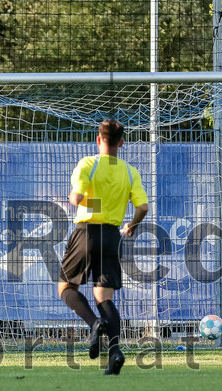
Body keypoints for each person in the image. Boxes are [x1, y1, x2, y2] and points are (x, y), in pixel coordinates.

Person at [58, 120, 148, 375]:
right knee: (104, 297)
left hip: (86, 233)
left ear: (98, 140)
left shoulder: (89, 164)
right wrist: (131, 225)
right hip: (112, 235)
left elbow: (75, 198)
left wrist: (87, 201)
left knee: (65, 287)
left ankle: (94, 323)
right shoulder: (130, 172)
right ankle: (115, 352)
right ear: (121, 143)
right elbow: (143, 208)